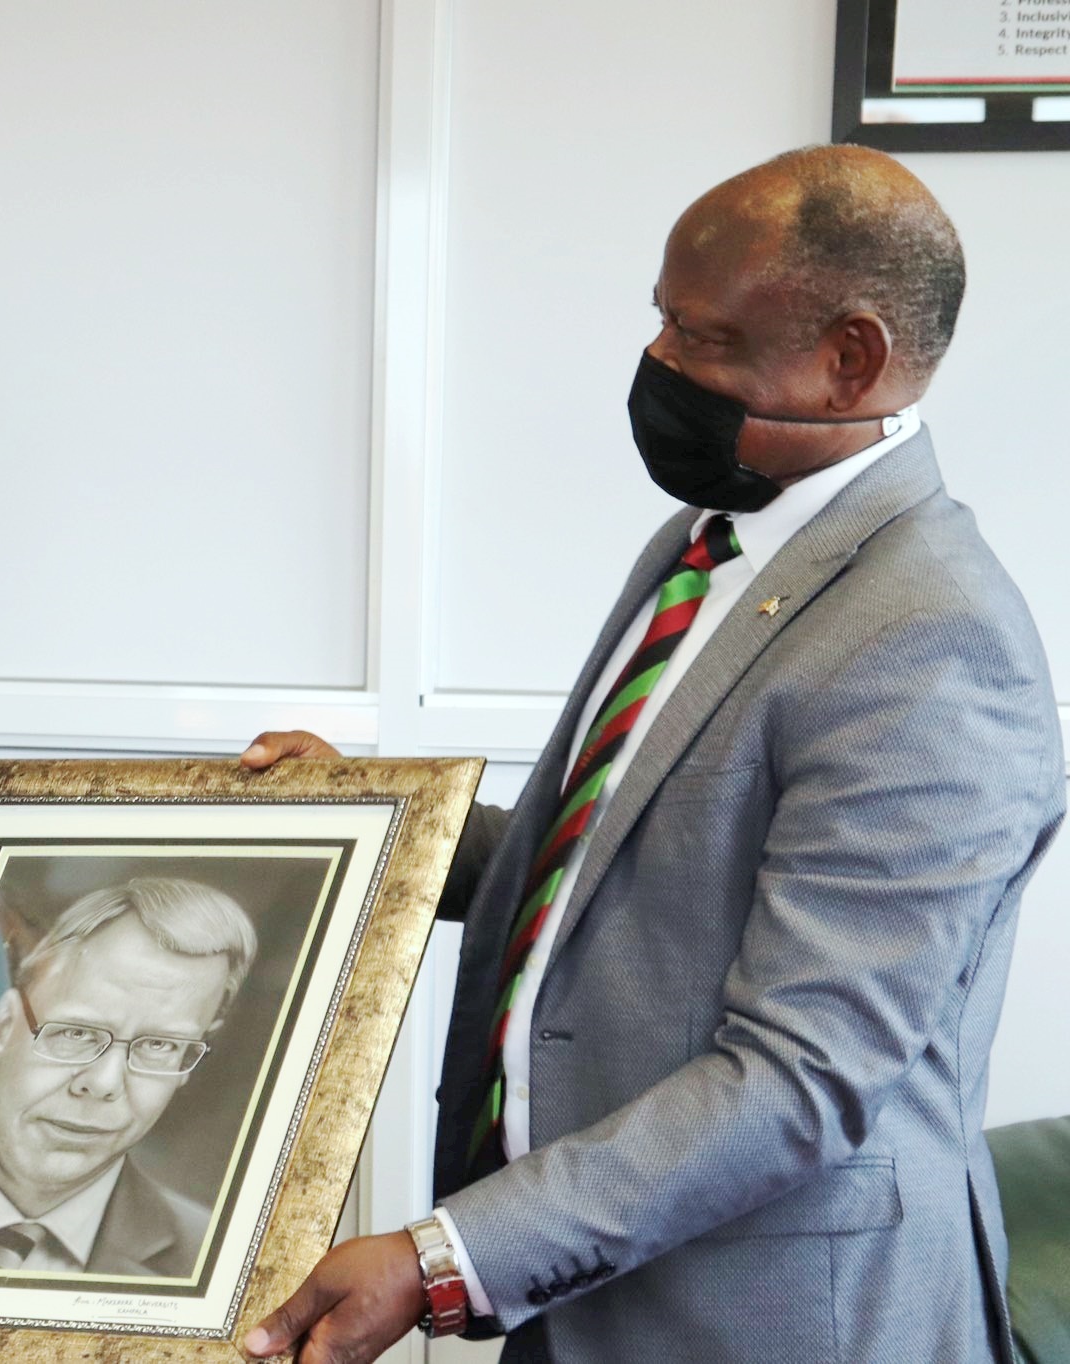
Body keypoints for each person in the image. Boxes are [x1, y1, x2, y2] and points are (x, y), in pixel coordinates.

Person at [239, 144, 1063, 1364]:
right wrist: (371, 825)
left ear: (849, 359)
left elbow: (799, 1077)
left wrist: (444, 1254)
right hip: (591, 1294)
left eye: (705, 338)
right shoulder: (712, 539)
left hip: (776, 1323)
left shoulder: (928, 638)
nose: (660, 366)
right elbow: (612, 864)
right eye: (661, 323)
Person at [0, 877, 257, 1276]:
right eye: (76, 1033)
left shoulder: (228, 1268)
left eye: (160, 1046)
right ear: (2, 1026)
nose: (103, 1083)